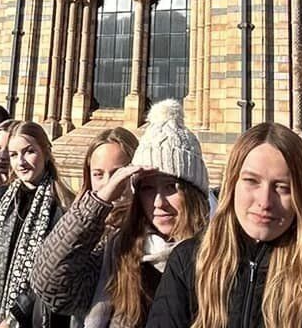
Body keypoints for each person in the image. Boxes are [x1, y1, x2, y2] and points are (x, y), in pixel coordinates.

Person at [35, 102, 208, 328]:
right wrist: (98, 202)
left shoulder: (219, 256)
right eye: (148, 188)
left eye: (171, 187)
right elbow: (50, 283)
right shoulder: (119, 250)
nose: (159, 202)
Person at [146, 122, 302, 328]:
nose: (265, 202)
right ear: (232, 184)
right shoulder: (189, 261)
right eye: (251, 181)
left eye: (282, 187)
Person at [0, 121, 74, 328]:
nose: (20, 162)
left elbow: (52, 272)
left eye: (29, 152)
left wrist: (12, 320)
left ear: (46, 152)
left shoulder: (63, 210)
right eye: (13, 154)